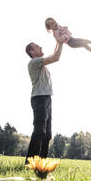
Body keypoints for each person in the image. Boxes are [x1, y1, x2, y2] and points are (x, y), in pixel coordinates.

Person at [24, 36, 64, 165]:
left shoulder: (41, 64)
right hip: (39, 98)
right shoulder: (34, 62)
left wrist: (58, 40)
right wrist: (61, 42)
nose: (40, 47)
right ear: (32, 52)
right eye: (37, 46)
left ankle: (42, 164)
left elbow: (53, 54)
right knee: (39, 131)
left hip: (46, 98)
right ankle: (30, 164)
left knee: (47, 134)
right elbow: (55, 57)